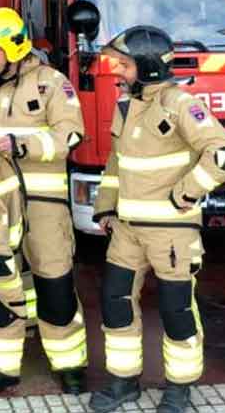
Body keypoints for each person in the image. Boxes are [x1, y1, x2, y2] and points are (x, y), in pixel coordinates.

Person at [89, 27, 225, 413]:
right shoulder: (126, 105)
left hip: (172, 233)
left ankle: (179, 387)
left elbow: (219, 153)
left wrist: (185, 192)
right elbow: (118, 163)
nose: (116, 69)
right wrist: (105, 206)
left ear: (147, 67)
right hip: (126, 231)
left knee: (175, 309)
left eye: (125, 64)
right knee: (115, 304)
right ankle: (123, 382)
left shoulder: (180, 104)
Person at [0, 7, 88, 398]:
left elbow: (72, 136)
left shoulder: (52, 83)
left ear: (14, 49)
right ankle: (2, 369)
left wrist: (23, 146)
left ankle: (69, 366)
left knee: (56, 286)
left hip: (43, 206)